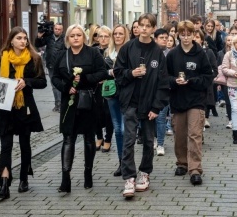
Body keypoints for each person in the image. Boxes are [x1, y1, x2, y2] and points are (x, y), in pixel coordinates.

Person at [114, 13, 169, 198]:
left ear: (154, 28)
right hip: (130, 101)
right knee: (128, 141)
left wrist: (156, 107)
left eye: (148, 26)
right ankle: (129, 177)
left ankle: (145, 173)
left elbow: (163, 83)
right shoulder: (128, 48)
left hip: (149, 104)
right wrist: (131, 73)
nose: (144, 28)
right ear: (136, 27)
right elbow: (118, 72)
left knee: (147, 141)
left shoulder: (158, 52)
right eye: (141, 25)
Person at [52, 24, 108, 193]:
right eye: (72, 35)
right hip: (69, 101)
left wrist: (85, 79)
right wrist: (65, 87)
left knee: (89, 138)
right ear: (67, 38)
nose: (75, 38)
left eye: (79, 35)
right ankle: (65, 178)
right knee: (68, 138)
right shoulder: (62, 56)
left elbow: (103, 72)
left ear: (83, 37)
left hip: (88, 100)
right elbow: (54, 77)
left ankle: (88, 173)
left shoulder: (93, 53)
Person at [0, 26, 47, 199]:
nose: (23, 41)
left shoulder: (34, 58)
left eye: (25, 38)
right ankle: (4, 183)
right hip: (6, 107)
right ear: (11, 41)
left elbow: (42, 82)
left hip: (26, 108)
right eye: (19, 38)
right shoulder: (3, 58)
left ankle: (24, 177)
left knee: (25, 144)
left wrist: (26, 82)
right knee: (6, 146)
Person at [166, 20, 213, 185]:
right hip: (178, 99)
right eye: (182, 34)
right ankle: (181, 163)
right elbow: (165, 77)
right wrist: (174, 81)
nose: (185, 38)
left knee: (194, 134)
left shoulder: (201, 54)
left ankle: (195, 169)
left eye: (189, 34)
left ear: (194, 35)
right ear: (178, 35)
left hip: (196, 100)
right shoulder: (172, 55)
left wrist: (192, 81)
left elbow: (208, 77)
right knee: (179, 134)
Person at [104, 24, 130, 176]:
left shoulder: (129, 51)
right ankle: (121, 162)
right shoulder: (108, 52)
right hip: (112, 92)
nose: (118, 36)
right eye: (115, 34)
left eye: (121, 33)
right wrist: (109, 71)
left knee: (125, 128)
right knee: (118, 129)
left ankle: (127, 161)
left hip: (126, 92)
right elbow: (102, 71)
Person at [34, 22, 66, 112]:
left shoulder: (65, 38)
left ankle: (63, 103)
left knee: (62, 84)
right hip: (51, 65)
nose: (57, 30)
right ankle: (58, 104)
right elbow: (38, 45)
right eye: (56, 29)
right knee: (54, 85)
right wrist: (39, 37)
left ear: (62, 30)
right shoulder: (49, 37)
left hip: (62, 65)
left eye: (59, 29)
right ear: (53, 29)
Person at [194, 29, 218, 132]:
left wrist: (208, 78)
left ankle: (201, 127)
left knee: (202, 108)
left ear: (202, 40)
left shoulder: (208, 52)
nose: (195, 39)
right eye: (193, 36)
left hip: (204, 85)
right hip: (191, 86)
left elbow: (215, 69)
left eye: (197, 37)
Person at [152, 28, 171, 156]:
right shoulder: (151, 53)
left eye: (166, 38)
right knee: (151, 118)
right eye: (161, 38)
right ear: (155, 39)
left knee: (161, 118)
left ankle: (160, 143)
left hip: (164, 90)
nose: (164, 40)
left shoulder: (171, 54)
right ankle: (153, 139)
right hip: (150, 90)